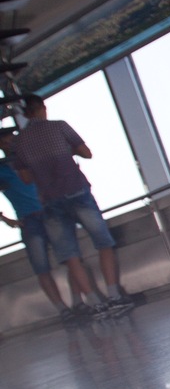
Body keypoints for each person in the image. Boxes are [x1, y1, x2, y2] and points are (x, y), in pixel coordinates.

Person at [13, 96, 134, 312]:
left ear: (25, 114)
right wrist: (66, 152)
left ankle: (95, 304)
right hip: (77, 192)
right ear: (42, 108)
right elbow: (87, 153)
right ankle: (114, 296)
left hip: (50, 201)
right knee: (103, 243)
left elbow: (26, 178)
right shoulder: (59, 126)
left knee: (71, 256)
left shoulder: (20, 142)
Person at [0, 126, 100, 321]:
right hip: (30, 220)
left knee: (71, 259)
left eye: (11, 139)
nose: (10, 143)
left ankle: (78, 302)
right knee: (42, 268)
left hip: (51, 211)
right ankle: (64, 310)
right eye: (6, 140)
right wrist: (6, 219)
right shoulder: (3, 170)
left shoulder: (29, 160)